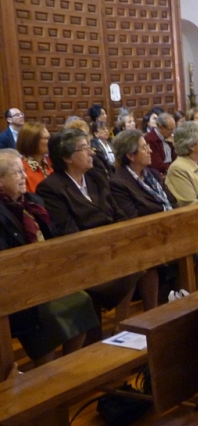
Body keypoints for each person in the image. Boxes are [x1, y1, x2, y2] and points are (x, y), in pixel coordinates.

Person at [0, 149, 98, 365]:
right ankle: (45, 372)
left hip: (47, 274)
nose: (24, 177)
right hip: (17, 286)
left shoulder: (32, 202)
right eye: (17, 173)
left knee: (81, 299)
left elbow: (53, 236)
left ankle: (67, 364)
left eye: (23, 171)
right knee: (49, 316)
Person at [36, 129, 140, 329]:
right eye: (84, 148)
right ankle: (112, 330)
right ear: (67, 157)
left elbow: (117, 213)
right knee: (130, 267)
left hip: (112, 246)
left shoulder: (95, 178)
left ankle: (123, 325)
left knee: (140, 261)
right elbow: (67, 231)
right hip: (82, 255)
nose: (91, 152)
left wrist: (125, 235)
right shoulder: (52, 188)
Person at [110, 129, 177, 309]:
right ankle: (152, 313)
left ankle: (186, 300)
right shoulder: (119, 183)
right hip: (144, 237)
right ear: (130, 156)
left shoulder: (153, 175)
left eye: (148, 146)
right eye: (143, 147)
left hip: (167, 229)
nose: (150, 151)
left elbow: (172, 201)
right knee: (149, 264)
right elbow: (132, 218)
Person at [16, 121, 52, 193]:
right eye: (47, 138)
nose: (50, 141)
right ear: (32, 141)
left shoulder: (51, 163)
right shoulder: (21, 168)